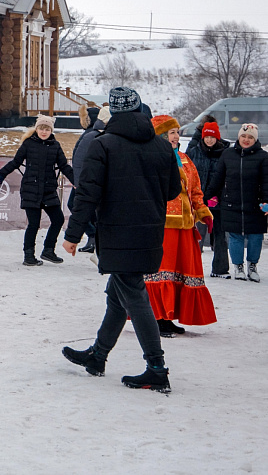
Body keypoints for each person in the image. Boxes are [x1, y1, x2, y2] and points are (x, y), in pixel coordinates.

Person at [61, 87, 182, 393]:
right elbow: (171, 192)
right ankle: (98, 356)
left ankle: (156, 367)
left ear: (112, 111)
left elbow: (87, 194)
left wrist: (73, 235)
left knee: (135, 296)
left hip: (118, 231)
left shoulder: (103, 145)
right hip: (150, 231)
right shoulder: (161, 145)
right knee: (118, 295)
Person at [145, 115, 217, 334]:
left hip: (185, 226)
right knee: (162, 272)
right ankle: (158, 317)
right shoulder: (151, 159)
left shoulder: (185, 160)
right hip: (162, 225)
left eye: (177, 132)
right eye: (171, 133)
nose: (176, 136)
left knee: (180, 272)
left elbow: (195, 189)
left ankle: (170, 315)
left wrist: (202, 211)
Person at [0, 115, 74, 266]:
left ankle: (48, 250)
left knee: (58, 219)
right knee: (34, 224)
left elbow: (64, 166)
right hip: (31, 189)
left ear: (51, 131)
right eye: (41, 128)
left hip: (49, 190)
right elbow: (16, 162)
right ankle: (29, 255)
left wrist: (75, 181)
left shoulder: (55, 146)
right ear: (36, 129)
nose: (44, 132)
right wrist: (0, 175)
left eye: (47, 129)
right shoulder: (28, 144)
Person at [204, 122, 268, 283]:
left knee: (255, 237)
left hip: (255, 204)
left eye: (250, 137)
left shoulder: (263, 157)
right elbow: (218, 178)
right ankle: (238, 266)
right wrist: (206, 197)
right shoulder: (228, 154)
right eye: (243, 136)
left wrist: (266, 200)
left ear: (255, 139)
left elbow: (267, 181)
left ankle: (252, 266)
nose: (246, 140)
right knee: (235, 237)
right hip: (231, 203)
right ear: (239, 137)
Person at [186, 117, 231, 277]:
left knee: (220, 236)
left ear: (217, 138)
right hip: (198, 201)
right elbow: (187, 174)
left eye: (213, 137)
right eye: (207, 137)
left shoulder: (225, 153)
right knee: (197, 234)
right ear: (202, 136)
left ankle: (220, 269)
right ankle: (192, 268)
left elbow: (228, 176)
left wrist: (218, 195)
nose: (210, 140)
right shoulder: (194, 152)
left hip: (218, 200)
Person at [69, 106, 106, 253]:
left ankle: (93, 235)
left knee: (76, 206)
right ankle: (93, 237)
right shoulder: (92, 134)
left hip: (85, 181)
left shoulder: (91, 135)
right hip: (85, 180)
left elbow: (80, 160)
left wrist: (78, 182)